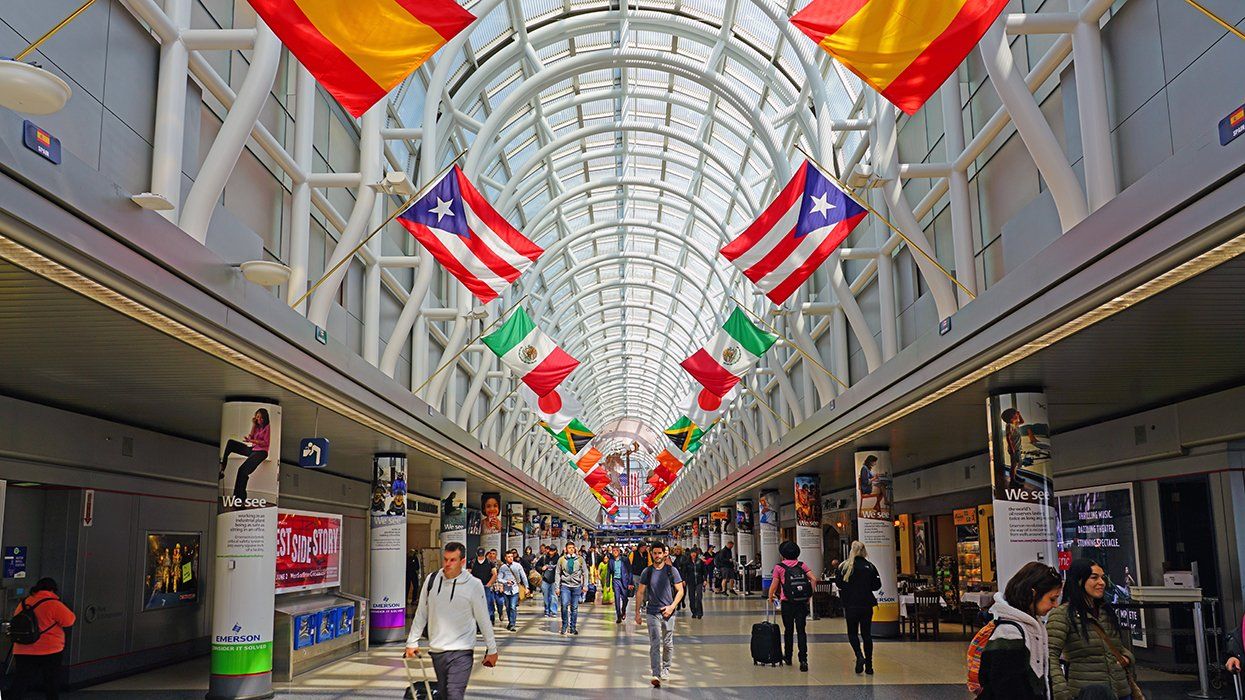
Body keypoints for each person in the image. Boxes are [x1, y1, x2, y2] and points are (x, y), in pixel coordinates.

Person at [405, 543, 498, 700]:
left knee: (454, 693)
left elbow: (483, 619)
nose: (448, 564)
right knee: (444, 694)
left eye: (453, 560)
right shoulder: (432, 580)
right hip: (437, 650)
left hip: (462, 651)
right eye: (445, 559)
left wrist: (492, 649)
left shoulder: (473, 585)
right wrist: (412, 641)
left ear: (462, 561)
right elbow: (421, 613)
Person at [1047, 559, 1138, 700]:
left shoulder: (1106, 611)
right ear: (1079, 581)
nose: (1102, 583)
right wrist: (1061, 692)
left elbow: (1117, 646)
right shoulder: (1063, 614)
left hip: (1121, 691)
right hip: (1087, 693)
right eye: (1094, 578)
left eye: (1102, 577)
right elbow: (1051, 655)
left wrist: (1127, 658)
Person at [977, 562, 1063, 699]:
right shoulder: (1009, 632)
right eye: (1052, 599)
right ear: (1033, 593)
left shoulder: (1032, 625)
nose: (1055, 605)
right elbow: (1007, 688)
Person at [9, 577, 75, 700]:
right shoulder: (53, 603)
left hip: (22, 648)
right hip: (49, 650)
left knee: (21, 681)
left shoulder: (24, 603)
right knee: (51, 682)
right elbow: (69, 620)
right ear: (52, 590)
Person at [635, 542, 685, 687]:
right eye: (655, 553)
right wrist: (637, 612)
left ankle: (666, 668)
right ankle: (655, 673)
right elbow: (640, 592)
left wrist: (672, 607)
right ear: (651, 554)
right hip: (652, 612)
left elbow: (680, 591)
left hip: (668, 612)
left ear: (664, 554)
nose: (657, 556)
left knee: (668, 643)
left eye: (659, 553)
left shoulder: (672, 571)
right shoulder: (647, 572)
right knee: (655, 642)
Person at [769, 540, 818, 671]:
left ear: (783, 554)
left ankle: (788, 656)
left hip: (787, 603)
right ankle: (803, 660)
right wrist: (809, 595)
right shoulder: (802, 565)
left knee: (788, 630)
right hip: (801, 602)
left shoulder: (779, 567)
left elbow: (774, 585)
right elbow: (813, 579)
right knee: (801, 631)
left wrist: (770, 596)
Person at [835, 540, 882, 675]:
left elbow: (839, 584)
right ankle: (869, 665)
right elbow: (877, 586)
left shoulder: (844, 567)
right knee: (867, 634)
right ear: (864, 551)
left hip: (850, 604)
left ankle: (859, 655)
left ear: (852, 551)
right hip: (866, 604)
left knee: (852, 633)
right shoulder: (870, 566)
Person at [218, 408, 270, 502]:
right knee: (230, 443)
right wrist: (253, 425)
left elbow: (265, 443)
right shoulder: (257, 426)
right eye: (257, 417)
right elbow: (251, 437)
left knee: (242, 470)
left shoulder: (267, 427)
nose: (258, 419)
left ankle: (240, 499)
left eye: (260, 417)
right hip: (253, 449)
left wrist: (252, 440)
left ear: (264, 418)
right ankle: (222, 469)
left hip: (261, 452)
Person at [555, 542, 589, 635]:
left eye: (572, 548)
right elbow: (557, 573)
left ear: (575, 549)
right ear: (565, 549)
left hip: (576, 586)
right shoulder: (561, 560)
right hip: (565, 586)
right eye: (569, 547)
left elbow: (585, 572)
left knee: (574, 608)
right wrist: (557, 587)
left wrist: (585, 585)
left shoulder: (580, 559)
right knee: (564, 605)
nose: (571, 549)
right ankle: (564, 625)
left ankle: (573, 627)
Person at [495, 550, 525, 632]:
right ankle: (510, 621)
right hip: (506, 590)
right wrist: (506, 582)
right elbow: (499, 578)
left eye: (512, 556)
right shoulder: (503, 567)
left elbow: (523, 576)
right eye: (508, 557)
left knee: (513, 606)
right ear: (505, 558)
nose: (511, 558)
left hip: (515, 589)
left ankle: (512, 624)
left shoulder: (518, 566)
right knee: (508, 607)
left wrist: (527, 587)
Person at [467, 548, 498, 625]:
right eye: (479, 555)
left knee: (488, 603)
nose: (480, 556)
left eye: (482, 555)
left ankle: (489, 619)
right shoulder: (472, 562)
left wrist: (489, 584)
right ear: (477, 554)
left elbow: (494, 574)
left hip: (486, 586)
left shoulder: (490, 562)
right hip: (475, 587)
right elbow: (468, 574)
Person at [609, 545, 635, 623]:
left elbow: (630, 571)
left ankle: (623, 610)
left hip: (624, 581)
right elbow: (608, 573)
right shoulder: (611, 561)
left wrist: (630, 582)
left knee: (625, 598)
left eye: (616, 550)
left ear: (619, 552)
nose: (615, 552)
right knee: (617, 598)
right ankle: (618, 616)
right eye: (613, 551)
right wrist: (607, 585)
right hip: (615, 581)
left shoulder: (625, 560)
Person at [682, 548, 707, 619]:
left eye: (694, 553)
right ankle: (694, 612)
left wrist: (705, 580)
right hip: (690, 582)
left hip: (699, 581)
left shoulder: (700, 561)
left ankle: (700, 613)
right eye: (692, 553)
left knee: (699, 597)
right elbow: (684, 572)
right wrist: (683, 580)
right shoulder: (687, 562)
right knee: (691, 597)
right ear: (690, 554)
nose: (693, 554)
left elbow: (704, 571)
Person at [538, 546, 560, 618]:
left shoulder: (558, 559)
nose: (551, 551)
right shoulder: (544, 558)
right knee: (545, 596)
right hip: (545, 579)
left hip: (554, 580)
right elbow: (537, 566)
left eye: (553, 550)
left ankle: (553, 611)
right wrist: (541, 568)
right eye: (550, 549)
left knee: (554, 596)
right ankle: (547, 610)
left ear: (555, 551)